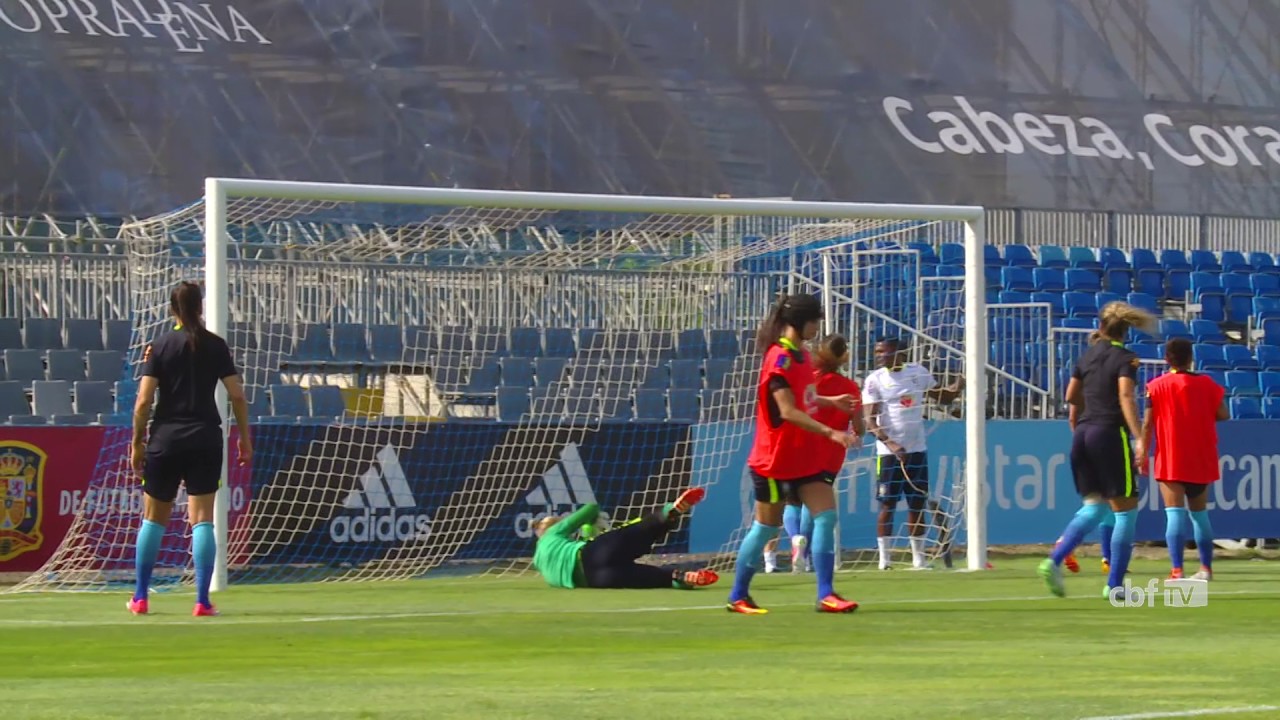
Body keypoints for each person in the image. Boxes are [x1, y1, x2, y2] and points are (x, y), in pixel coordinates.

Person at [726, 294, 859, 615]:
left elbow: (807, 397)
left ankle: (826, 594)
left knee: (826, 516)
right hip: (774, 460)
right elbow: (787, 410)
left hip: (804, 458)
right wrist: (831, 432)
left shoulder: (801, 355)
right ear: (799, 322)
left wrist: (832, 402)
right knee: (766, 529)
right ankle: (738, 595)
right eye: (814, 321)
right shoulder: (780, 358)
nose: (817, 327)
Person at [129, 282, 252, 617]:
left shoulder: (159, 346)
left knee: (154, 519)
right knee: (202, 521)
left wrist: (137, 443)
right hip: (204, 438)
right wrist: (244, 436)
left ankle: (140, 597)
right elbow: (237, 395)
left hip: (165, 439)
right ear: (201, 307)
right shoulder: (216, 346)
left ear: (173, 309)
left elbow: (143, 402)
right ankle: (202, 600)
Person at [1038, 302, 1156, 598]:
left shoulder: (1088, 356)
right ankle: (1115, 585)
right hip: (1109, 433)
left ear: (1100, 327)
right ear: (1125, 330)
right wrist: (1139, 436)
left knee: (1094, 507)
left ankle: (1053, 560)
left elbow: (1071, 396)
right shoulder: (1125, 358)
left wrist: (1077, 422)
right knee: (1125, 512)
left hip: (1084, 433)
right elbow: (1126, 395)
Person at [762, 334, 865, 574]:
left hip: (801, 446)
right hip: (831, 454)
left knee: (792, 501)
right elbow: (859, 426)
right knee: (816, 505)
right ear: (843, 357)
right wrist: (856, 429)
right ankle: (805, 556)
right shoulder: (850, 387)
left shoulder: (808, 381)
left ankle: (793, 541)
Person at [862, 338, 964, 571]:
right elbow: (869, 421)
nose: (879, 356)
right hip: (889, 453)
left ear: (899, 353)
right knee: (887, 504)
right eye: (877, 352)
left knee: (916, 503)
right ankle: (884, 561)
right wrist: (890, 443)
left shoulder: (918, 373)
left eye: (883, 352)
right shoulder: (874, 380)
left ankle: (918, 559)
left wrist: (960, 385)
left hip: (917, 450)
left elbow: (943, 398)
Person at [1137, 338, 1227, 581]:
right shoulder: (1208, 384)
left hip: (1172, 456)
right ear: (1191, 357)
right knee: (1200, 514)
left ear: (1167, 358)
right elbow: (1223, 414)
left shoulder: (1156, 386)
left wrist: (1143, 451)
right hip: (1200, 455)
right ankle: (1206, 569)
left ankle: (1177, 570)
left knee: (1174, 513)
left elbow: (1147, 423)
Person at [531, 487, 718, 590]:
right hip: (590, 554)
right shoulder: (554, 533)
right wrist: (591, 522)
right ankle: (668, 513)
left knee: (655, 578)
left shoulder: (539, 563)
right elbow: (591, 507)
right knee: (639, 532)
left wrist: (590, 534)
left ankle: (680, 577)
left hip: (595, 580)